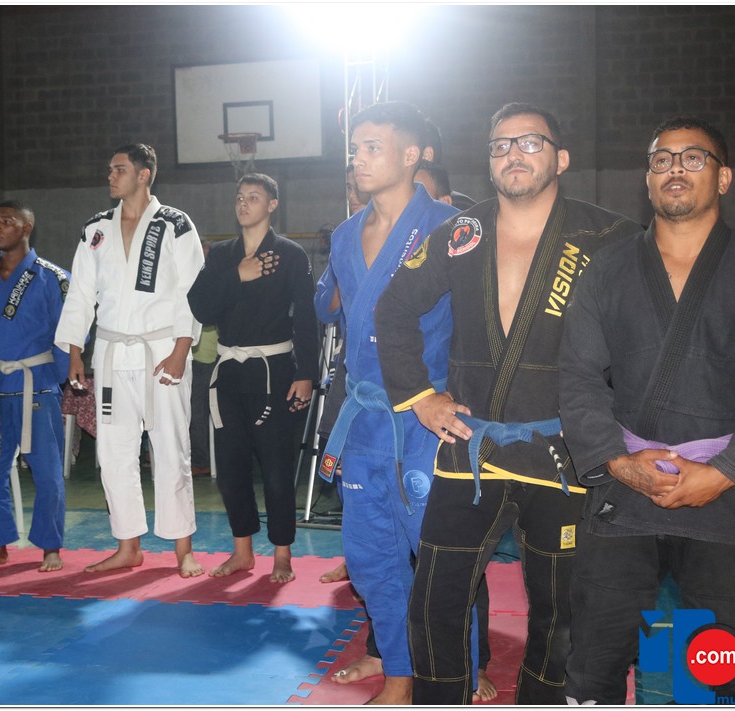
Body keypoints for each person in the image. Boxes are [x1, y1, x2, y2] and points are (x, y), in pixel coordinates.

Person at [374, 102, 639, 704]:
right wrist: (420, 397)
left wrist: (621, 429)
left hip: (564, 451)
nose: (513, 154)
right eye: (500, 146)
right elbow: (393, 308)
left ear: (561, 158)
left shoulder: (608, 237)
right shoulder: (461, 233)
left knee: (561, 611)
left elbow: (646, 333)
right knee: (435, 600)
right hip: (471, 445)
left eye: (529, 143)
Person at [558, 117, 735, 703]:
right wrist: (618, 462)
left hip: (727, 493)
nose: (675, 168)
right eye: (661, 160)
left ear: (724, 178)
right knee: (594, 657)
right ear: (648, 180)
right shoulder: (607, 269)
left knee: (730, 666)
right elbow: (577, 377)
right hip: (626, 485)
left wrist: (725, 473)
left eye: (693, 158)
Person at [316, 100, 459, 705]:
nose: (359, 159)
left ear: (412, 154)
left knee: (442, 557)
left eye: (374, 147)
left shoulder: (452, 227)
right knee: (371, 558)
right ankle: (400, 672)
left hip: (429, 418)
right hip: (366, 416)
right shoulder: (345, 235)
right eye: (356, 149)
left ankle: (459, 667)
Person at [54, 143, 205, 578]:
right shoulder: (95, 229)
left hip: (162, 349)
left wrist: (181, 350)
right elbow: (81, 293)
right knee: (114, 450)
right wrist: (75, 351)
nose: (111, 176)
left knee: (171, 447)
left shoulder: (175, 224)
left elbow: (192, 290)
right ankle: (128, 546)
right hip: (111, 351)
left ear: (144, 175)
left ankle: (183, 550)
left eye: (119, 169)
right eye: (110, 169)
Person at [187, 173, 319, 583]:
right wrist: (237, 276)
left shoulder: (291, 254)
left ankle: (282, 554)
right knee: (230, 467)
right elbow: (200, 307)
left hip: (274, 370)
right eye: (240, 197)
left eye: (254, 198)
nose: (244, 204)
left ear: (272, 205)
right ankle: (242, 551)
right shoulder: (222, 255)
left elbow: (307, 316)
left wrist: (307, 373)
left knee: (277, 468)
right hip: (229, 370)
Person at [0, 201, 70, 573]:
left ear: (27, 227)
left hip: (36, 385)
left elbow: (68, 333)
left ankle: (51, 547)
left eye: (6, 221)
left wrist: (55, 377)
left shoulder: (53, 278)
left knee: (48, 474)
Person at [188, 240, 217, 478]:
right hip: (193, 357)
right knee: (197, 411)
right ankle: (203, 459)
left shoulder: (209, 283)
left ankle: (202, 461)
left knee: (198, 411)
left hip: (209, 359)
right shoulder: (195, 281)